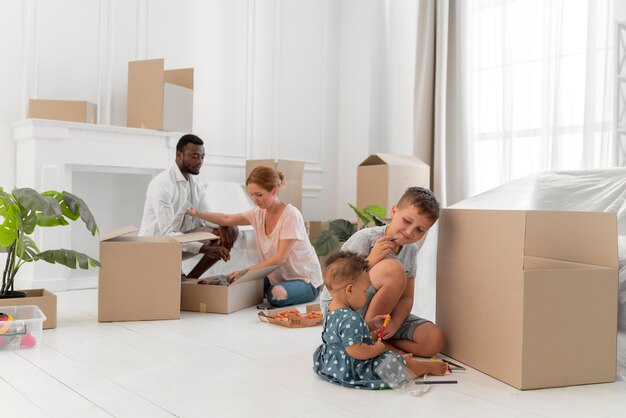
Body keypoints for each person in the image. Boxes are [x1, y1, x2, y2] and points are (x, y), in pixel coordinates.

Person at [320, 187, 445, 358]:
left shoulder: (411, 250)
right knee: (394, 270)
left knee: (433, 340)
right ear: (394, 211)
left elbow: (407, 298)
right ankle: (365, 341)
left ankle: (381, 341)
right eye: (407, 221)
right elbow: (336, 286)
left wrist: (394, 323)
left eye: (419, 230)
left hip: (382, 316)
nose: (410, 232)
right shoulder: (366, 238)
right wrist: (371, 260)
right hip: (343, 312)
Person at [188, 165, 323, 307]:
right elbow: (226, 219)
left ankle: (281, 291)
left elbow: (280, 258)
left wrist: (246, 270)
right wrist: (197, 213)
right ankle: (268, 288)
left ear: (274, 191)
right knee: (238, 285)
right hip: (276, 277)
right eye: (251, 194)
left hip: (306, 281)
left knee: (275, 295)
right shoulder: (257, 213)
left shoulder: (291, 215)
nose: (254, 199)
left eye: (259, 195)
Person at [313, 252, 447, 389]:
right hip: (354, 368)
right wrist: (377, 348)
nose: (366, 296)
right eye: (364, 291)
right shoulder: (350, 317)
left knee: (389, 359)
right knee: (395, 364)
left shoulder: (331, 311)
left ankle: (407, 362)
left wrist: (370, 324)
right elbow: (356, 351)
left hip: (333, 364)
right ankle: (426, 367)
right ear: (350, 290)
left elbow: (344, 333)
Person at [138, 134, 238, 279]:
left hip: (178, 243)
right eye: (195, 156)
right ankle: (182, 280)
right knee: (172, 290)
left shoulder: (196, 185)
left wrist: (225, 225)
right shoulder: (162, 184)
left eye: (202, 157)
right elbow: (167, 234)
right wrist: (205, 249)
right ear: (179, 154)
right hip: (157, 246)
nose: (200, 162)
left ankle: (191, 279)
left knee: (230, 229)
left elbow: (207, 216)